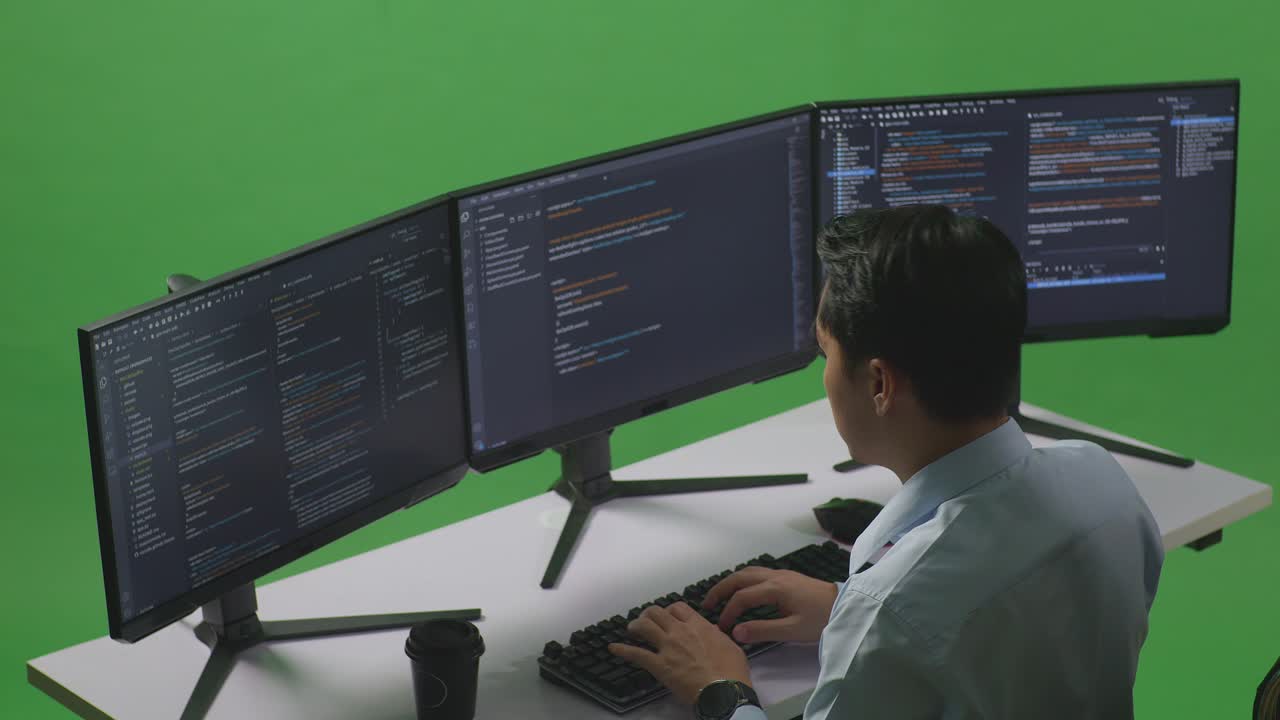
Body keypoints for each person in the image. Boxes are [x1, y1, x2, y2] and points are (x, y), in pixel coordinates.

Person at [608, 205, 1164, 719]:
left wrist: (720, 688)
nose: (825, 377)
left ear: (879, 383)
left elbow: (923, 610)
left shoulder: (894, 607)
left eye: (826, 352)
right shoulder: (1103, 484)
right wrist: (842, 607)